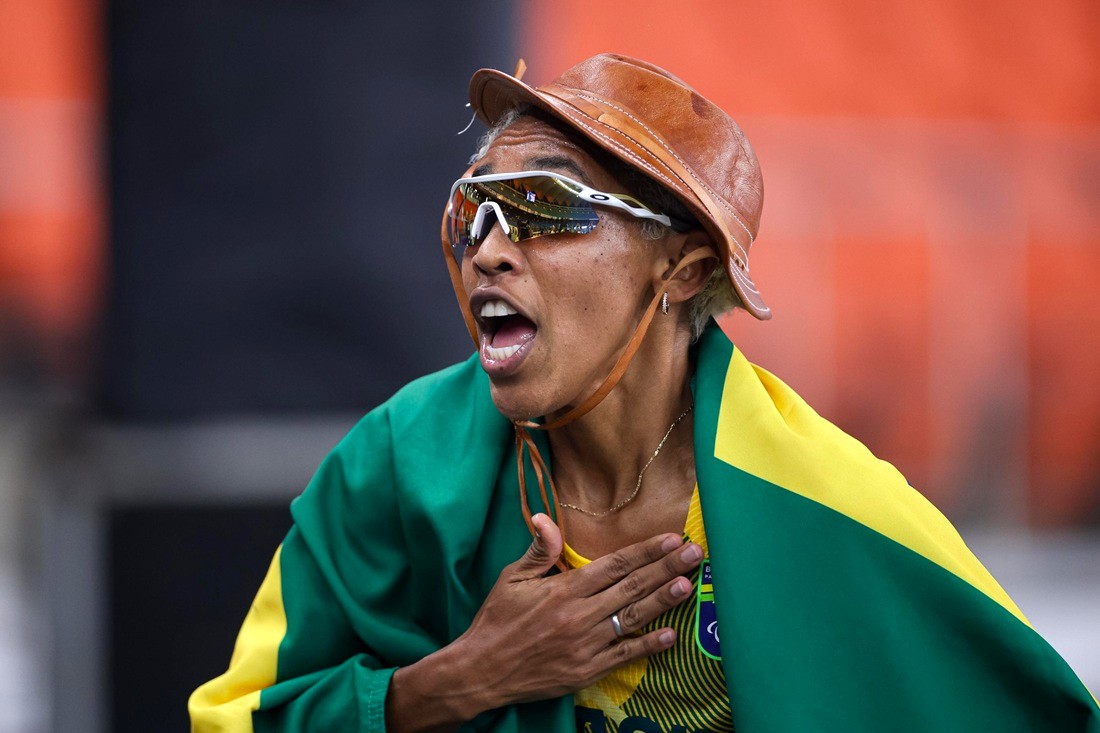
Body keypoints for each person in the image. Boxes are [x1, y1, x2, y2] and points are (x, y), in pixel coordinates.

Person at [189, 54, 1099, 732]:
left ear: (683, 268)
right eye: (474, 211)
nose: (488, 251)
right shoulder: (398, 464)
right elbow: (231, 719)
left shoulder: (823, 500)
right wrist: (459, 680)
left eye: (543, 207)